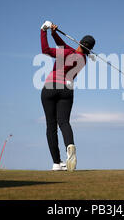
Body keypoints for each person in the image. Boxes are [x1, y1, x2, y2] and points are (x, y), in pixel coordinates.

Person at [40, 20, 95, 171]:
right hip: (67, 90)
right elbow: (64, 47)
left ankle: (56, 163)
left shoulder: (67, 52)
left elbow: (45, 49)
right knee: (64, 122)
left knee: (51, 126)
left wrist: (43, 31)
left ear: (80, 42)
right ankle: (69, 146)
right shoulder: (82, 59)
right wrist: (54, 33)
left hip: (50, 87)